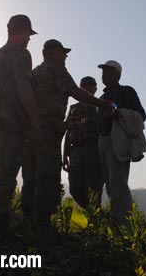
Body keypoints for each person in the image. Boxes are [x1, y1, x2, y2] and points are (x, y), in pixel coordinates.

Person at [30, 39, 114, 230]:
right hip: (50, 129)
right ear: (52, 52)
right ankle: (43, 224)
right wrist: (102, 105)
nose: (66, 57)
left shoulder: (35, 72)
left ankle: (35, 218)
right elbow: (74, 91)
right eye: (63, 52)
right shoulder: (55, 69)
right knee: (49, 175)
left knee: (36, 173)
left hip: (37, 130)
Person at [0, 14, 38, 236]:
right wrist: (33, 118)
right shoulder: (21, 53)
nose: (29, 39)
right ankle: (0, 225)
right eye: (28, 34)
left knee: (0, 168)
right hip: (12, 122)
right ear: (21, 30)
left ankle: (0, 218)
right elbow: (23, 85)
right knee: (7, 170)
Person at [97, 60, 146, 224]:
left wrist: (118, 113)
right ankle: (117, 222)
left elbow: (141, 115)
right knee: (111, 186)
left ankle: (124, 226)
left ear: (118, 74)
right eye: (103, 71)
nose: (104, 73)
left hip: (116, 141)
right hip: (102, 140)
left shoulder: (126, 92)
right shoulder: (102, 97)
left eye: (108, 71)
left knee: (118, 186)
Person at [62, 76, 104, 209]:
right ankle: (91, 212)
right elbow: (67, 132)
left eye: (91, 85)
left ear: (95, 88)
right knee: (75, 188)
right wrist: (64, 156)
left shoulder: (100, 105)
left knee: (94, 188)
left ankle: (95, 219)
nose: (88, 87)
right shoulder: (73, 108)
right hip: (76, 152)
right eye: (85, 85)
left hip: (95, 151)